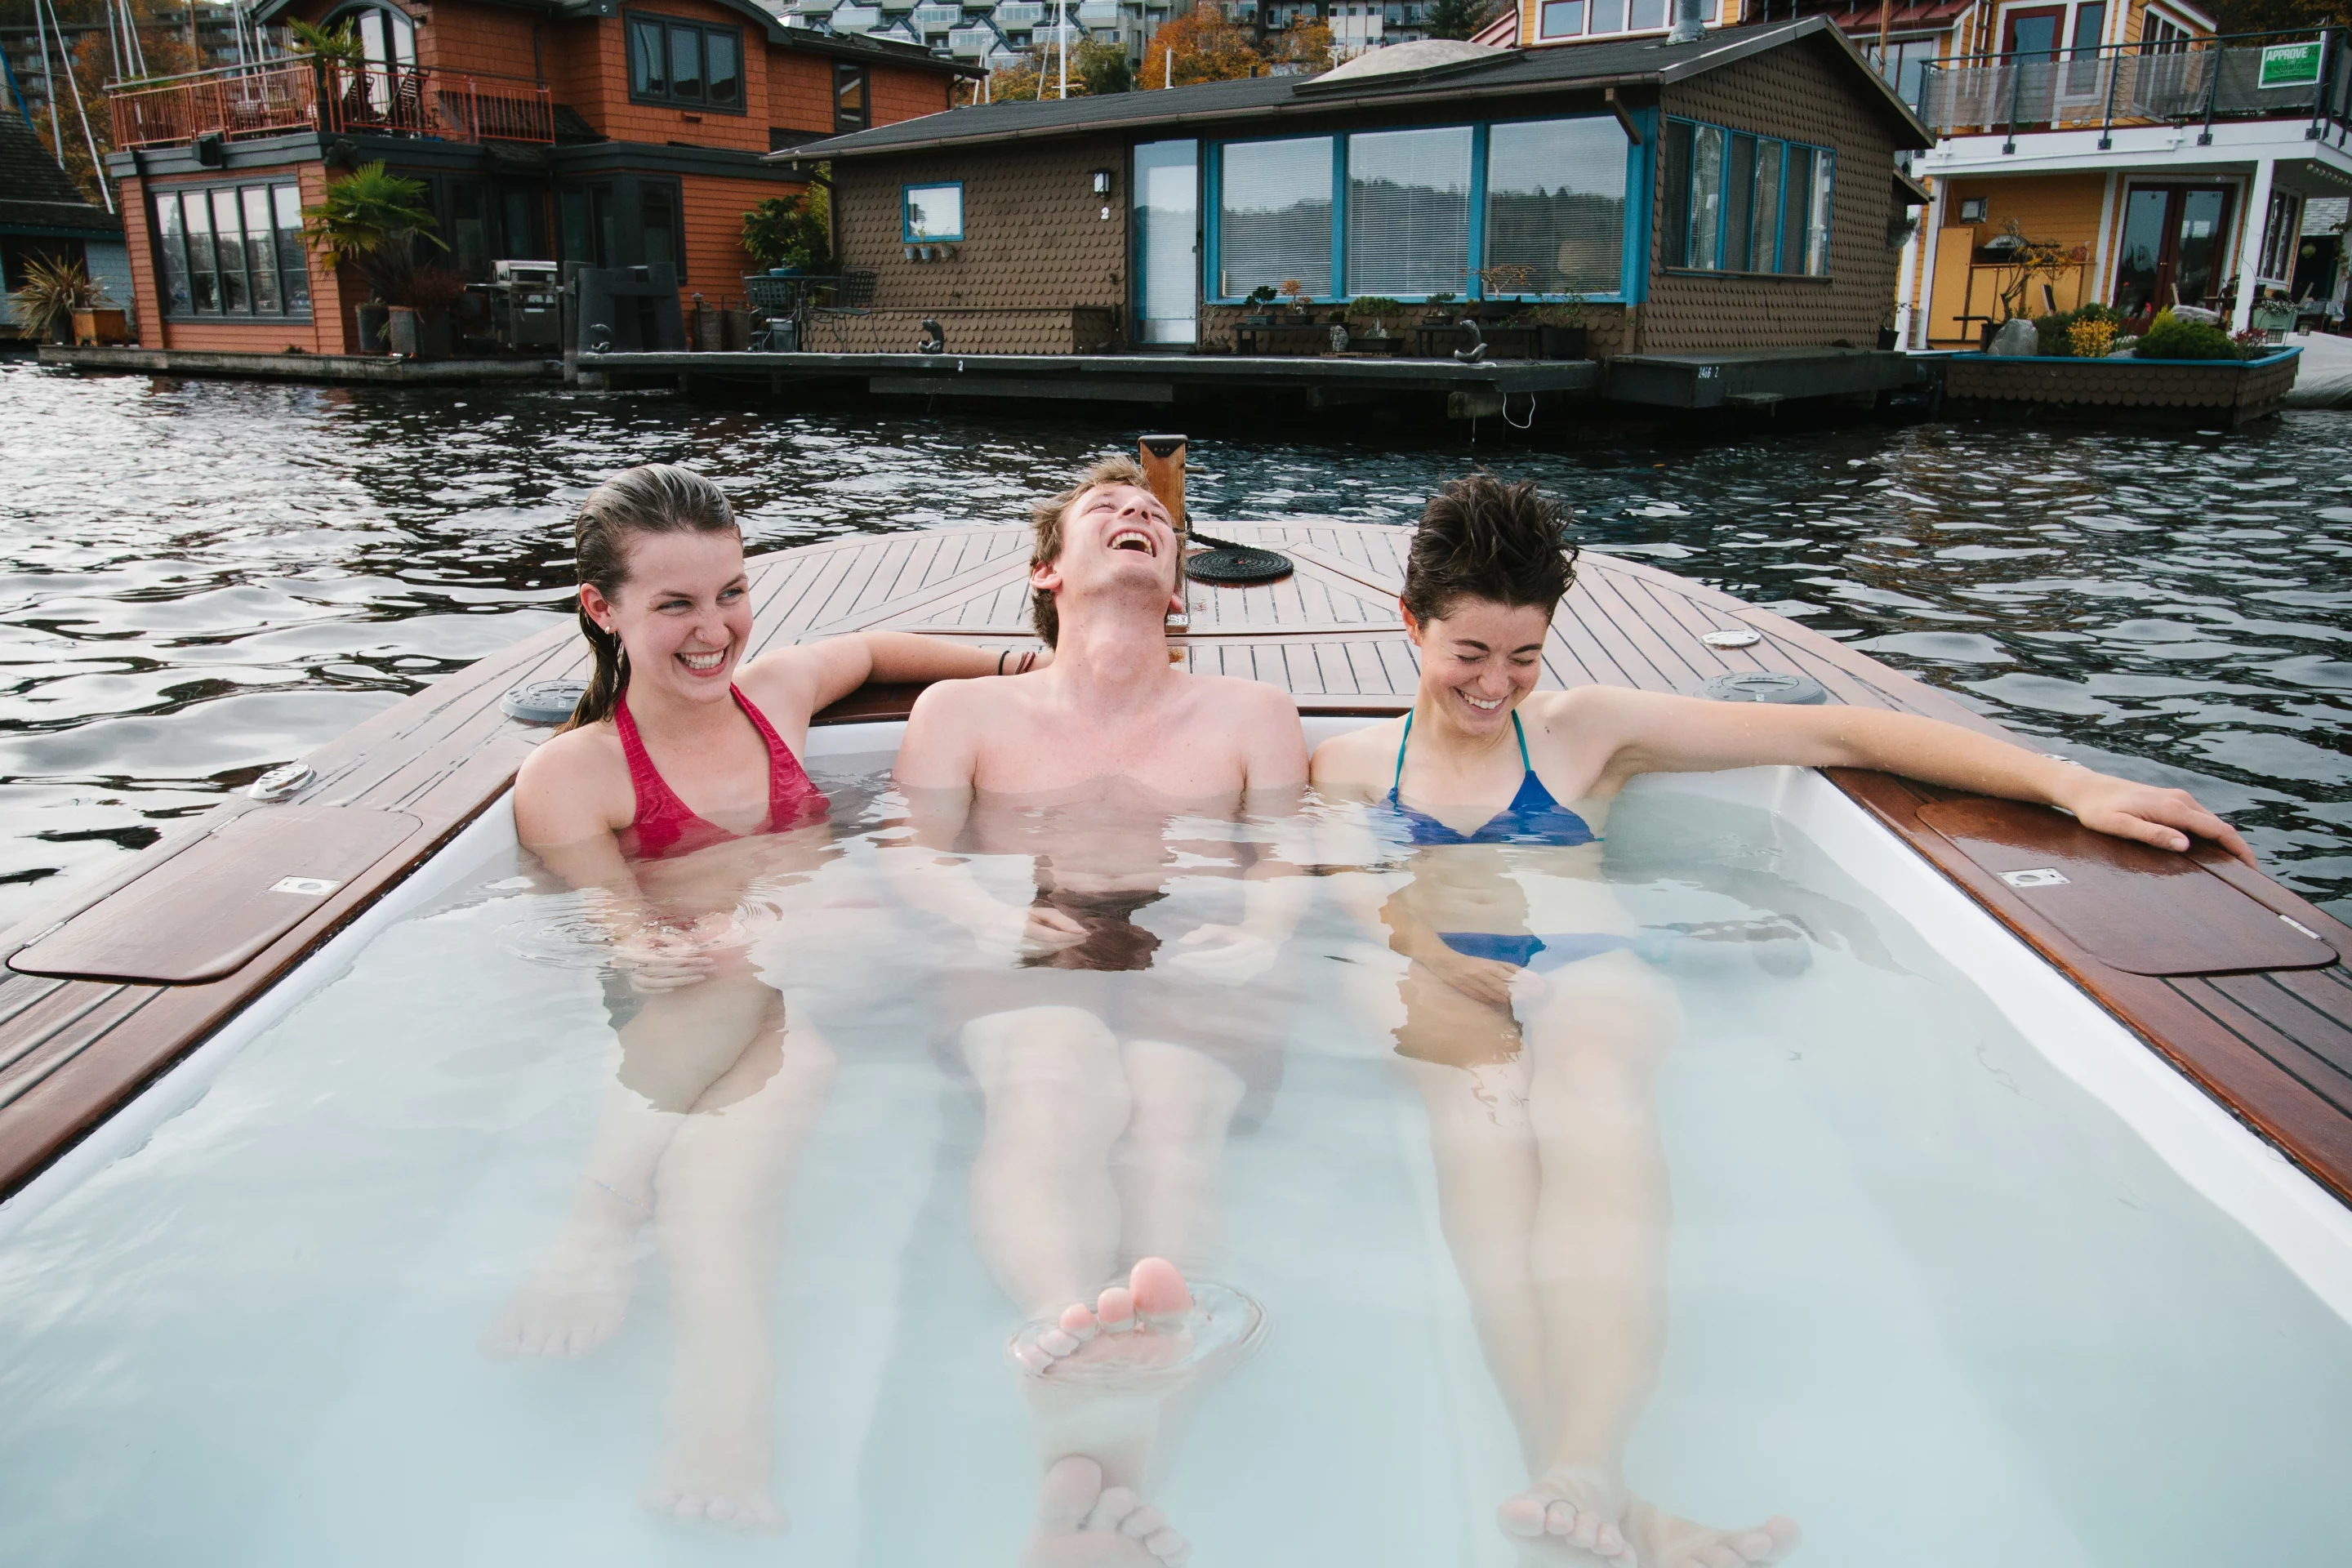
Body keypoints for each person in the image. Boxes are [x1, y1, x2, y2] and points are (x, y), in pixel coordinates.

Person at [1311, 472, 2251, 1568]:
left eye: (1525, 656)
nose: (1496, 684)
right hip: (1445, 977)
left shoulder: (1582, 730)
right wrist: (1452, 984)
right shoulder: (1349, 765)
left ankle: (1588, 1464)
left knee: (1595, 1090)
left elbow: (1839, 734)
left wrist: (2069, 783)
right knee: (1479, 1128)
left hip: (1584, 969)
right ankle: (1588, 1487)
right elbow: (1357, 911)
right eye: (1469, 652)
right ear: (1410, 622)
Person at [480, 463, 1035, 1533]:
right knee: (777, 1055)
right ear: (602, 610)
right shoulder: (576, 777)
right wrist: (653, 943)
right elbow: (615, 931)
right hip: (722, 1009)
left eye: (731, 592)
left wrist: (1023, 661)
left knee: (762, 985)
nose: (715, 629)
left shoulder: (773, 702)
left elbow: (872, 652)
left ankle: (598, 1223)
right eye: (675, 603)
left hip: (828, 970)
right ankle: (720, 1402)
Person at [889, 454, 1310, 1566]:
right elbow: (908, 858)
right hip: (1032, 932)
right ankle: (1074, 1332)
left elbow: (1290, 857)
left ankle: (1089, 1441)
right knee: (1053, 1078)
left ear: (1176, 585)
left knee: (1173, 1117)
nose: (1137, 515)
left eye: (1153, 518)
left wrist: (1261, 934)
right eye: (1105, 510)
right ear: (1047, 571)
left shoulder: (1253, 711)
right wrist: (987, 926)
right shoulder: (964, 708)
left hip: (1201, 939)